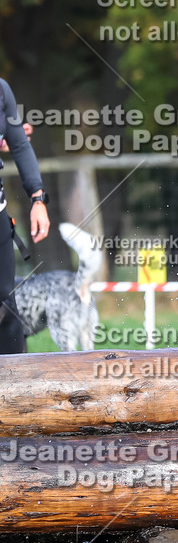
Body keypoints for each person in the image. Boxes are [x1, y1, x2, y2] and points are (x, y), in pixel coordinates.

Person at [0, 77, 50, 354]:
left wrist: (38, 199)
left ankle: (15, 385)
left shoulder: (2, 90)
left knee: (5, 304)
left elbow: (20, 145)